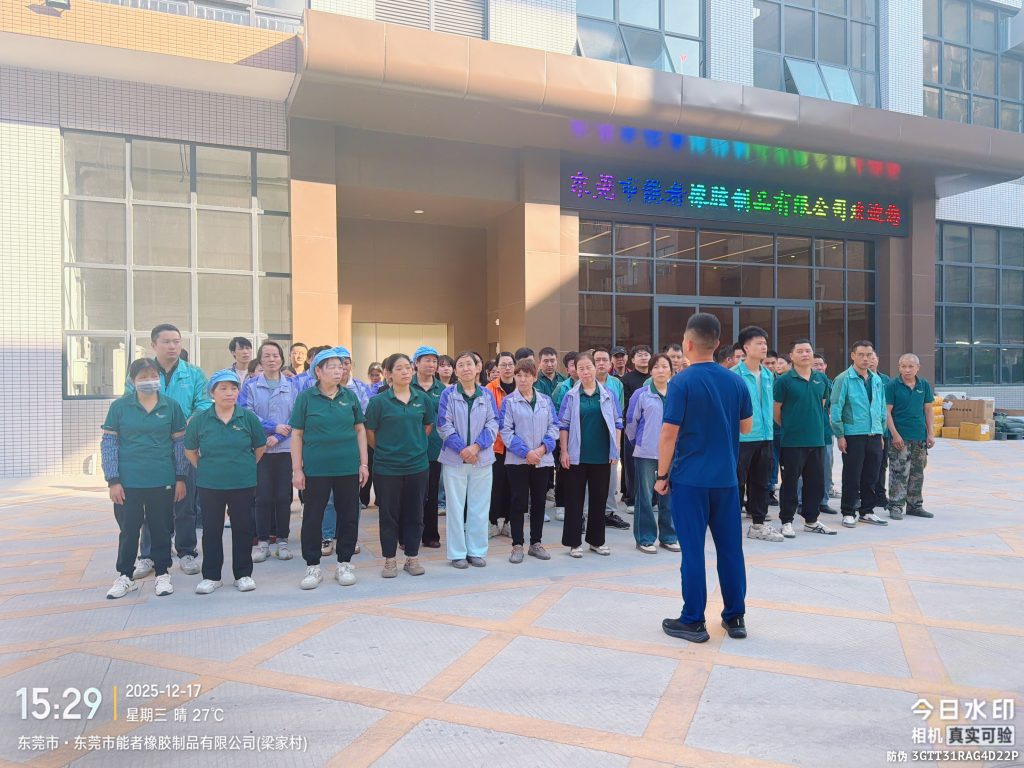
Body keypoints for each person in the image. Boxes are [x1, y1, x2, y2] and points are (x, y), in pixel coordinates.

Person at [655, 313, 752, 644]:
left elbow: (669, 433)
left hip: (690, 480)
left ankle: (693, 620)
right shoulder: (736, 381)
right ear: (718, 344)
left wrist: (661, 475)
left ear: (688, 343)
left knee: (693, 551)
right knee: (730, 550)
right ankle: (734, 617)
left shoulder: (681, 382)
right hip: (726, 479)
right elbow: (746, 427)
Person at [101, 358, 188, 599]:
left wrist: (181, 477)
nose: (149, 380)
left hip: (162, 478)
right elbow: (109, 443)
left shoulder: (171, 406)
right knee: (128, 530)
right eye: (143, 376)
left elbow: (180, 444)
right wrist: (113, 480)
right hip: (128, 481)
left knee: (161, 528)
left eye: (153, 375)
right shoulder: (119, 407)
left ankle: (162, 573)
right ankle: (125, 576)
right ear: (132, 381)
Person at [130, 324, 210, 582]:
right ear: (153, 345)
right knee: (150, 506)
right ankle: (149, 555)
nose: (173, 346)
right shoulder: (141, 373)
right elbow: (131, 402)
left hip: (185, 445)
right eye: (166, 342)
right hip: (151, 450)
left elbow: (204, 403)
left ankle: (187, 551)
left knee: (185, 503)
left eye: (176, 341)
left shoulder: (194, 373)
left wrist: (186, 424)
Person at [289, 348, 369, 589]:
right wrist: (297, 469)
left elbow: (360, 430)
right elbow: (297, 434)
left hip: (347, 467)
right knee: (313, 517)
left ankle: (344, 563)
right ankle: (312, 566)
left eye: (341, 366)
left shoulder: (349, 396)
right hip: (316, 469)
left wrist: (363, 463)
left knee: (349, 516)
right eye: (332, 366)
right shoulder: (306, 398)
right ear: (319, 371)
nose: (339, 370)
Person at [184, 369, 266, 594]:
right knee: (211, 530)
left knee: (243, 528)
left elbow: (260, 446)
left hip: (243, 483)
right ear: (212, 392)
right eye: (223, 388)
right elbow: (190, 450)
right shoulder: (200, 420)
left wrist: (245, 466)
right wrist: (207, 468)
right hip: (210, 484)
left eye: (234, 388)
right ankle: (212, 576)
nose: (230, 393)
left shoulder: (247, 417)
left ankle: (243, 574)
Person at [364, 354, 434, 578]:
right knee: (388, 514)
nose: (405, 372)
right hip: (387, 468)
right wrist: (387, 450)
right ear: (388, 374)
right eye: (399, 368)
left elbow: (427, 426)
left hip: (417, 466)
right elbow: (370, 433)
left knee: (415, 513)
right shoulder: (378, 402)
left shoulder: (422, 399)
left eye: (408, 368)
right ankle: (390, 560)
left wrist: (413, 446)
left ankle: (412, 558)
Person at [557, 352, 622, 558]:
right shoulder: (571, 395)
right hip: (577, 456)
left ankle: (596, 541)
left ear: (596, 368)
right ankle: (574, 543)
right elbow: (564, 425)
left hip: (602, 455)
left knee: (598, 499)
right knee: (575, 499)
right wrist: (564, 451)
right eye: (581, 368)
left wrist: (616, 449)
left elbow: (618, 422)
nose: (585, 371)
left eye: (589, 367)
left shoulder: (608, 394)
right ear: (575, 371)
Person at [438, 351, 499, 568]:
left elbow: (493, 424)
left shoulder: (486, 394)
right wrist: (463, 449)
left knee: (479, 506)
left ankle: (476, 551)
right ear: (456, 371)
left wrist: (476, 447)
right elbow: (443, 425)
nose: (465, 368)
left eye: (469, 364)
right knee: (455, 507)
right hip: (455, 459)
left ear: (477, 368)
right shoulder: (448, 395)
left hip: (481, 459)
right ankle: (457, 553)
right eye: (461, 365)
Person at [773, 340, 838, 538]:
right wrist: (792, 426)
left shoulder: (821, 379)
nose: (805, 354)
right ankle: (786, 520)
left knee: (816, 483)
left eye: (808, 351)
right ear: (791, 356)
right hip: (792, 441)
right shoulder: (784, 381)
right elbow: (777, 412)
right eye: (799, 351)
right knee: (791, 482)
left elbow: (823, 405)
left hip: (817, 439)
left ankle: (811, 520)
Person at [244, 341, 299, 563]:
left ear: (281, 359)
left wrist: (279, 435)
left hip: (285, 449)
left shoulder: (293, 386)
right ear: (260, 359)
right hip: (261, 449)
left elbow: (296, 416)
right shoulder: (251, 386)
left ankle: (283, 540)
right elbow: (247, 413)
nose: (271, 359)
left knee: (283, 497)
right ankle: (264, 541)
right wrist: (270, 428)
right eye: (266, 356)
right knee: (262, 497)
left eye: (275, 355)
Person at [499, 359, 558, 563]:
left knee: (539, 502)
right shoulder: (509, 402)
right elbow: (506, 432)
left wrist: (541, 449)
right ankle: (517, 545)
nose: (522, 379)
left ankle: (536, 543)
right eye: (519, 375)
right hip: (518, 461)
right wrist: (526, 453)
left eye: (527, 375)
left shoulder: (545, 400)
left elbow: (554, 427)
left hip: (542, 460)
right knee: (518, 501)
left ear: (534, 377)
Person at [830, 340, 888, 528]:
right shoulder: (843, 379)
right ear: (853, 356)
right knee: (852, 475)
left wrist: (880, 433)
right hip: (853, 434)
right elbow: (836, 408)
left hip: (874, 433)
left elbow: (880, 407)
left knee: (872, 474)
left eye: (869, 355)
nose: (866, 358)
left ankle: (867, 511)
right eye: (861, 354)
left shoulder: (877, 379)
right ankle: (848, 511)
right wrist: (840, 435)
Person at [625, 353, 678, 554]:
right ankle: (645, 538)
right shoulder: (642, 394)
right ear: (651, 370)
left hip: (673, 454)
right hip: (646, 453)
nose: (660, 370)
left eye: (664, 366)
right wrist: (638, 442)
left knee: (670, 496)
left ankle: (669, 536)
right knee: (645, 496)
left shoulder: (678, 393)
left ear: (671, 370)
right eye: (656, 367)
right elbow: (631, 422)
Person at [732, 326, 782, 543]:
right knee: (736, 481)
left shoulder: (769, 375)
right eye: (759, 343)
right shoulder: (733, 375)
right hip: (742, 438)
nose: (764, 347)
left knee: (762, 482)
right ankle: (729, 523)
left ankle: (758, 524)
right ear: (746, 347)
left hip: (766, 437)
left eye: (765, 343)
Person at [885, 354, 936, 519]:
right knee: (899, 471)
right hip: (899, 437)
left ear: (918, 367)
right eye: (903, 366)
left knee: (917, 472)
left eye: (911, 366)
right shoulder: (892, 385)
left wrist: (930, 433)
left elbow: (928, 410)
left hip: (919, 437)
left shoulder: (924, 385)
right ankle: (896, 505)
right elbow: (887, 412)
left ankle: (915, 505)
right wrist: (894, 435)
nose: (907, 370)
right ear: (899, 367)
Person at [412, 345, 446, 549]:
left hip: (434, 449)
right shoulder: (408, 385)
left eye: (435, 361)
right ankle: (408, 534)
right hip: (411, 449)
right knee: (412, 494)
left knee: (432, 494)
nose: (431, 364)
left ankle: (431, 535)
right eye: (427, 360)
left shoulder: (442, 390)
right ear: (416, 363)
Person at [593, 348, 629, 530]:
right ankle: (587, 514)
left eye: (604, 360)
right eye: (597, 360)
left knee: (611, 477)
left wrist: (616, 442)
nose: (600, 363)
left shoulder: (617, 384)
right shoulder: (583, 384)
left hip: (610, 438)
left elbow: (618, 415)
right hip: (590, 438)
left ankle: (608, 513)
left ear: (610, 364)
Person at [486, 352, 516, 538]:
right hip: (496, 446)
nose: (507, 368)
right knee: (495, 486)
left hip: (517, 447)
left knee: (513, 486)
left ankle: (508, 522)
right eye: (503, 365)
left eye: (510, 364)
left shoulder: (522, 385)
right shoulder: (489, 389)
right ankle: (491, 522)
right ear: (497, 367)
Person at [620, 344, 651, 512]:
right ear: (632, 360)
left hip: (653, 429)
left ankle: (651, 499)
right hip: (633, 428)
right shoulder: (626, 380)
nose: (643, 357)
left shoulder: (655, 378)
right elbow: (625, 407)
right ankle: (632, 498)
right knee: (631, 465)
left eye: (646, 354)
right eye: (639, 355)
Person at [813, 353, 839, 504]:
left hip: (825, 430)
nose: (819, 367)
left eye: (821, 364)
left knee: (826, 464)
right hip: (807, 432)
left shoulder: (829, 383)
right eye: (815, 364)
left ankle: (824, 498)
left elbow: (832, 406)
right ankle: (801, 500)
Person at [869, 351, 892, 507]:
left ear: (877, 360)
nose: (869, 360)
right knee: (865, 465)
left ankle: (880, 494)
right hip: (865, 430)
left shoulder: (886, 380)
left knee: (882, 463)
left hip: (882, 430)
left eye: (872, 357)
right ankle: (864, 493)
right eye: (866, 357)